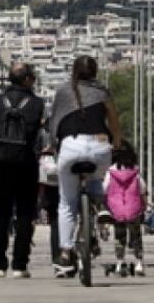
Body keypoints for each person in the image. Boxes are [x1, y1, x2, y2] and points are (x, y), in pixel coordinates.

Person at [49, 56, 123, 278]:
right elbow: (114, 121)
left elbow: (54, 123)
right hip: (100, 146)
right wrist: (117, 142)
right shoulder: (102, 92)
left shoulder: (63, 91)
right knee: (97, 178)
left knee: (67, 202)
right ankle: (101, 205)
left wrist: (53, 145)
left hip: (70, 147)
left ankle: (65, 250)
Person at [0, 62, 46, 278]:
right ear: (27, 80)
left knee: (0, 213)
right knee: (25, 213)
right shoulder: (38, 104)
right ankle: (20, 265)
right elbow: (47, 133)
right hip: (27, 163)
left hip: (1, 162)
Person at [104, 140, 146, 277]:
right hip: (134, 207)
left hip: (117, 209)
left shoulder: (111, 171)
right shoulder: (135, 170)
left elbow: (105, 188)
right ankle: (139, 263)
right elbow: (142, 187)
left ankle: (120, 263)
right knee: (136, 236)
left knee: (119, 236)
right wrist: (144, 203)